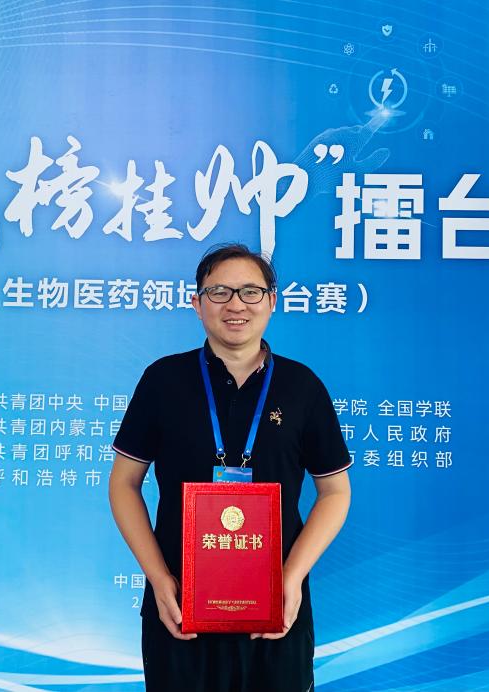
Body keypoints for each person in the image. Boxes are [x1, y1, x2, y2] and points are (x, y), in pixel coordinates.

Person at [108, 243, 352, 692]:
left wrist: (292, 577)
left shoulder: (302, 386)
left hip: (277, 607)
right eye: (218, 292)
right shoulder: (163, 380)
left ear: (272, 301)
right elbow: (124, 483)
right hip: (180, 605)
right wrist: (158, 579)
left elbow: (335, 491)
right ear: (197, 303)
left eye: (250, 292)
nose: (235, 304)